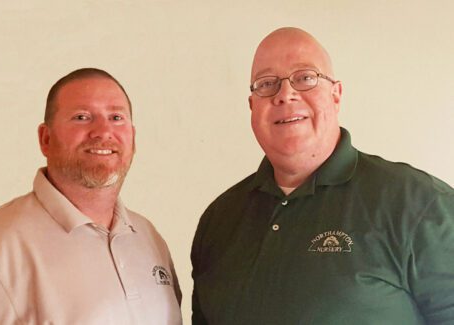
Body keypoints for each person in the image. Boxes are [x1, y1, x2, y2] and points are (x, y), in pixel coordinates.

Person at [191, 27, 454, 324]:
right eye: (267, 84)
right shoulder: (218, 221)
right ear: (253, 106)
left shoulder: (420, 204)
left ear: (336, 94)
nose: (285, 95)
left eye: (305, 78)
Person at [0, 68, 182, 324]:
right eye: (82, 117)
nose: (103, 131)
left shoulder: (147, 238)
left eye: (116, 117)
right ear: (45, 139)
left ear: (133, 138)